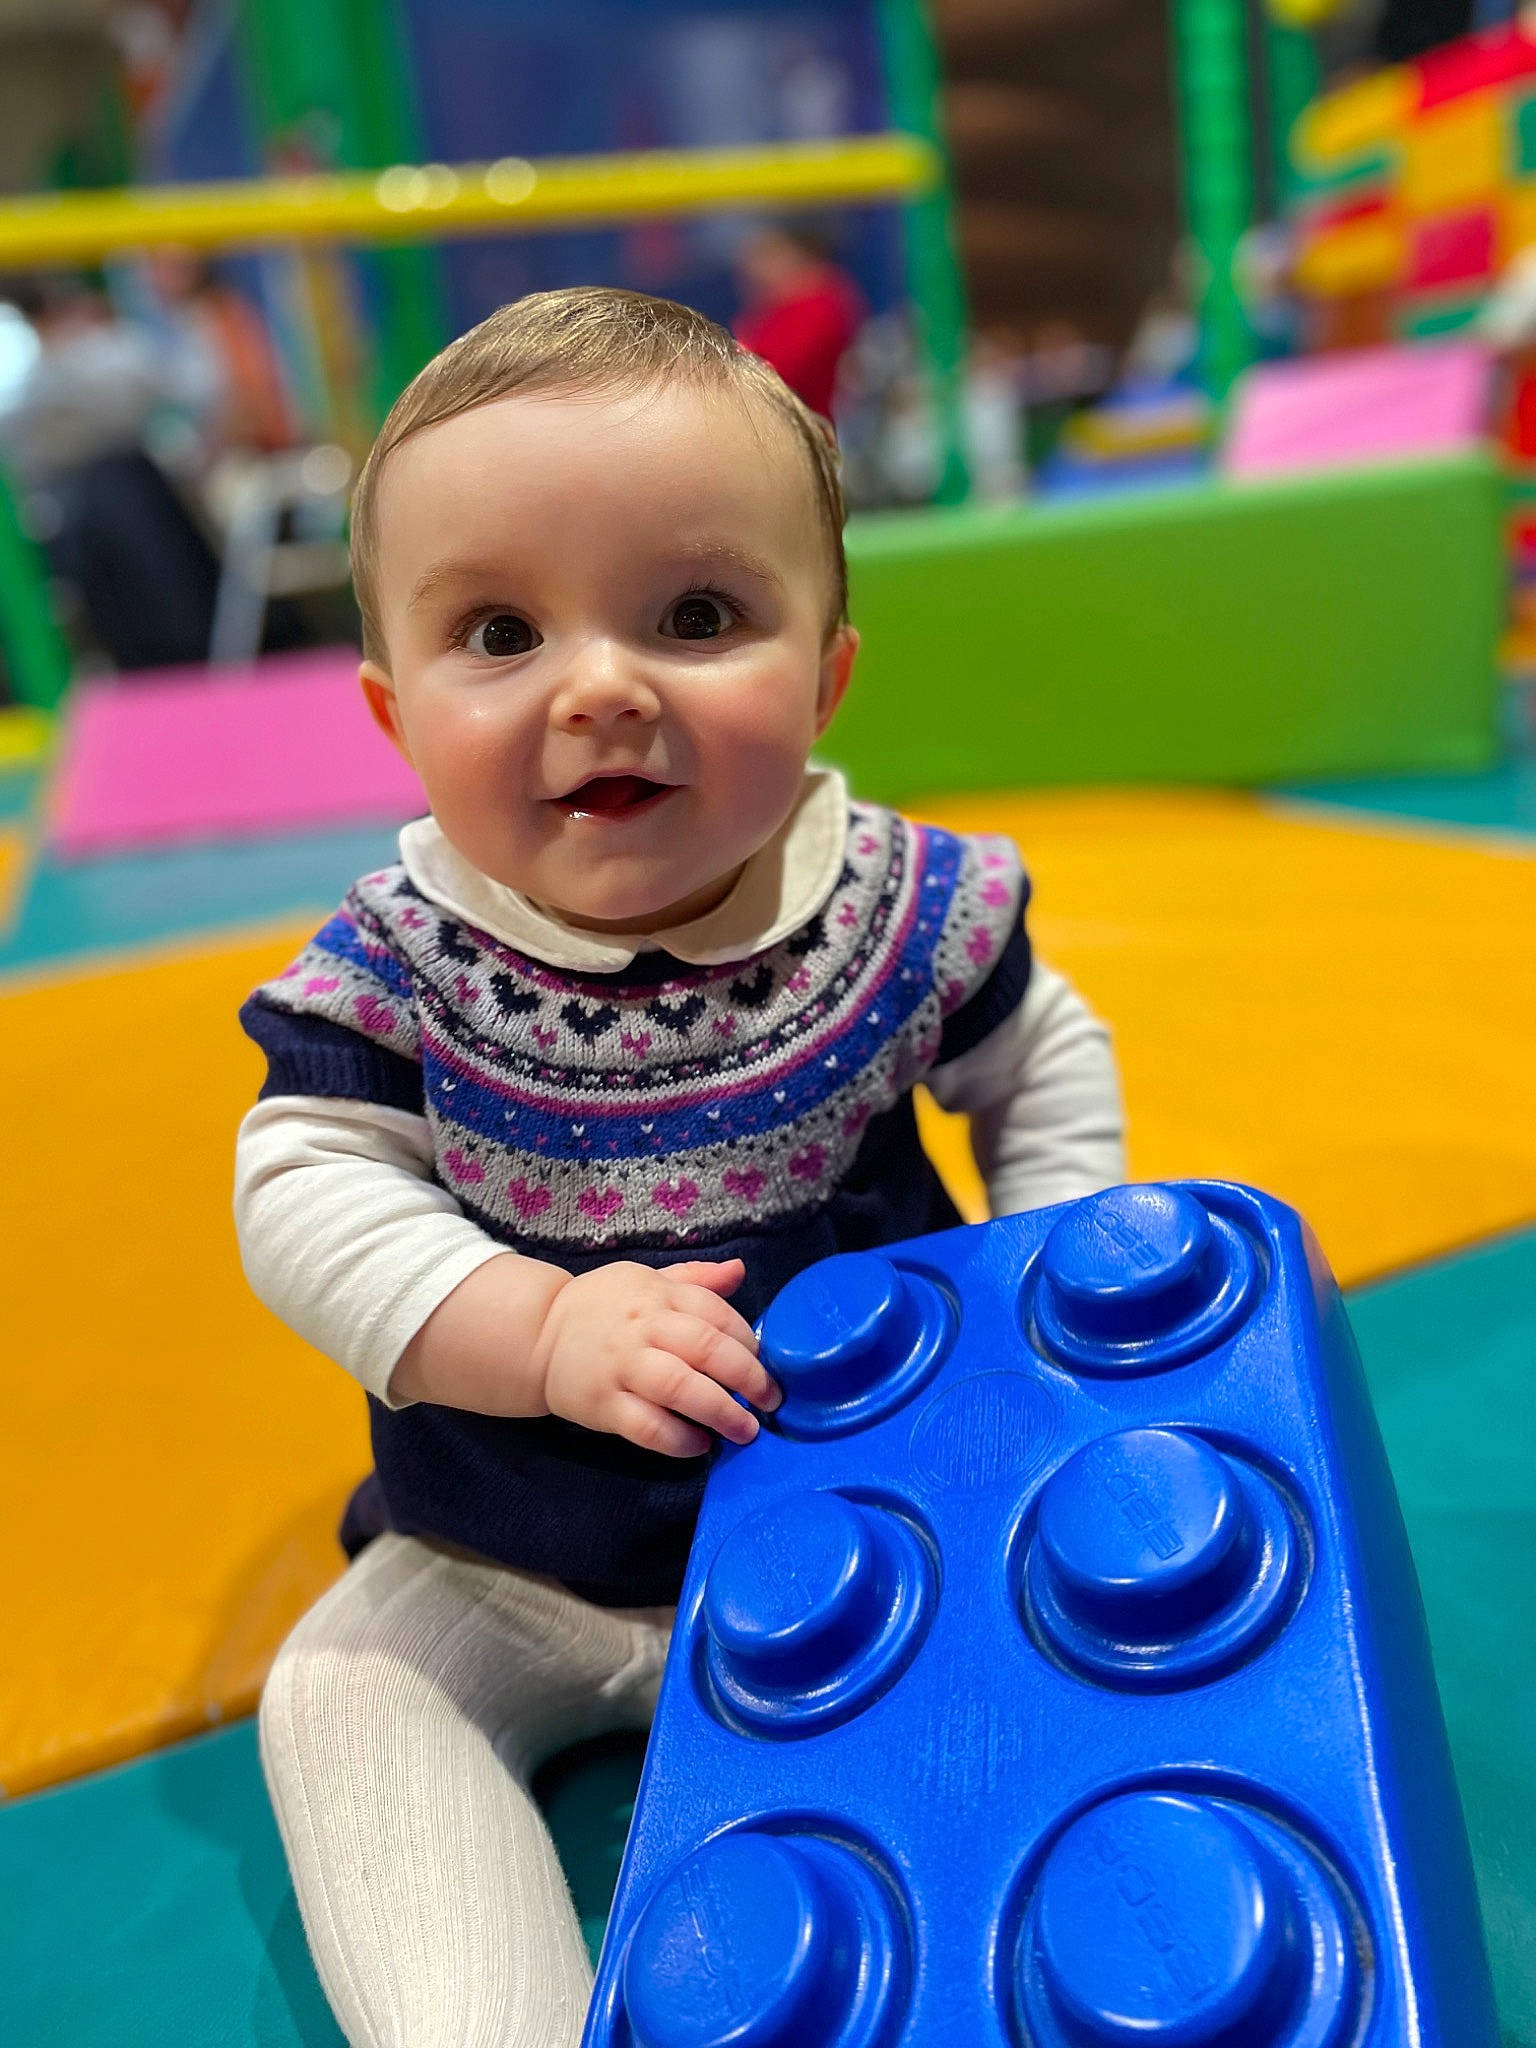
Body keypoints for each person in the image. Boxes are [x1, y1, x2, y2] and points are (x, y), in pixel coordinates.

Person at [233, 286, 1124, 2047]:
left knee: (1063, 1674)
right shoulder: (393, 963)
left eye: (698, 612)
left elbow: (1047, 1058)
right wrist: (537, 1330)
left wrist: (1056, 1270)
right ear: (393, 710)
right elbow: (303, 1192)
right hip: (506, 1551)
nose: (603, 684)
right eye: (499, 631)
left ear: (827, 668)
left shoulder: (900, 904)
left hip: (889, 1516)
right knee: (342, 1686)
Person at [733, 222, 864, 418]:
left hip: (805, 421)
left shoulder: (819, 306)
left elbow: (777, 375)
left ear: (797, 255)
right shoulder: (774, 307)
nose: (753, 268)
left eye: (768, 254)